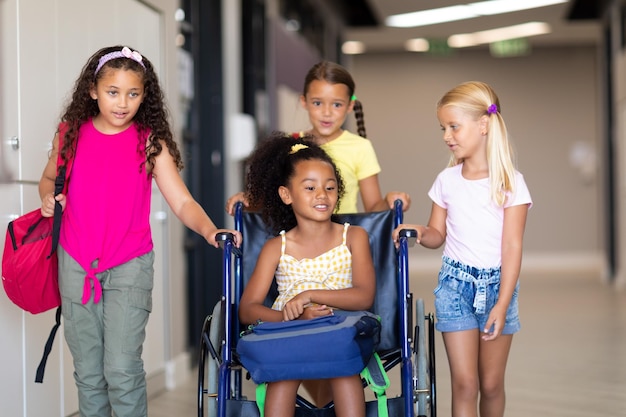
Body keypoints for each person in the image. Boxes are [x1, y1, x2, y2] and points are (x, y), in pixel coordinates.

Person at [38, 45, 242, 417]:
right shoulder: (70, 135)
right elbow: (50, 179)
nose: (122, 103)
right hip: (75, 263)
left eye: (133, 93)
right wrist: (49, 199)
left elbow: (182, 202)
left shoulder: (150, 142)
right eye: (113, 92)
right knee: (88, 372)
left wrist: (210, 230)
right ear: (93, 91)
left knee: (121, 368)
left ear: (145, 96)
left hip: (129, 264)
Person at [393, 81, 532, 417]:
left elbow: (512, 246)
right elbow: (437, 234)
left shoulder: (511, 183)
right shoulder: (446, 180)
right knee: (465, 385)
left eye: (454, 126)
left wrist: (501, 303)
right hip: (455, 288)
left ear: (483, 125)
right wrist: (418, 231)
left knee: (492, 384)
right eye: (443, 128)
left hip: (499, 287)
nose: (446, 136)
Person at [238, 133, 375, 417]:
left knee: (344, 364)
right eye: (310, 188)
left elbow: (364, 296)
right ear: (286, 195)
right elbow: (248, 310)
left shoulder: (354, 237)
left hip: (339, 328)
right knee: (284, 371)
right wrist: (293, 317)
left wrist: (309, 296)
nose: (322, 195)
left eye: (330, 187)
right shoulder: (277, 247)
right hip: (289, 331)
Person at [226, 60, 410, 215]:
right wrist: (248, 201)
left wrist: (389, 202)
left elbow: (373, 208)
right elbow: (272, 198)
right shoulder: (289, 144)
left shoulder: (360, 147)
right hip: (297, 239)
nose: (327, 112)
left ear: (350, 106)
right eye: (317, 103)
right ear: (304, 101)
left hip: (343, 241)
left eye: (337, 105)